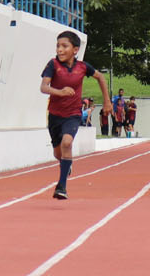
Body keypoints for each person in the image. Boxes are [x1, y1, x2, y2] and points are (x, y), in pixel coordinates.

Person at [40, 30, 110, 200]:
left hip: (73, 114)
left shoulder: (83, 67)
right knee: (58, 153)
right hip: (55, 115)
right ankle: (65, 164)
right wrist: (60, 92)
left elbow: (100, 77)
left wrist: (107, 101)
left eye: (64, 46)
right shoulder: (53, 65)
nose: (60, 50)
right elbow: (43, 87)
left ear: (75, 50)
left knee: (67, 142)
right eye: (58, 46)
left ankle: (62, 186)